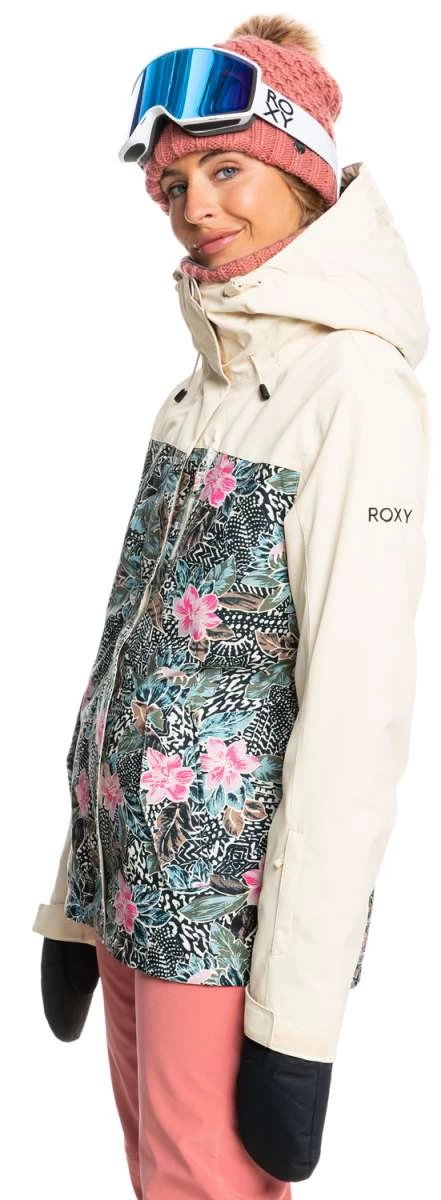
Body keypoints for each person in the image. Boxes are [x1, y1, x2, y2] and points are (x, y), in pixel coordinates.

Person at [32, 12, 430, 1199]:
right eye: (172, 186)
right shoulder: (195, 394)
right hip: (129, 893)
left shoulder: (354, 390)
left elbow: (355, 723)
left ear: (302, 173)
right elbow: (131, 657)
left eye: (225, 171)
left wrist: (295, 1025)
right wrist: (75, 898)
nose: (194, 208)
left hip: (225, 925)